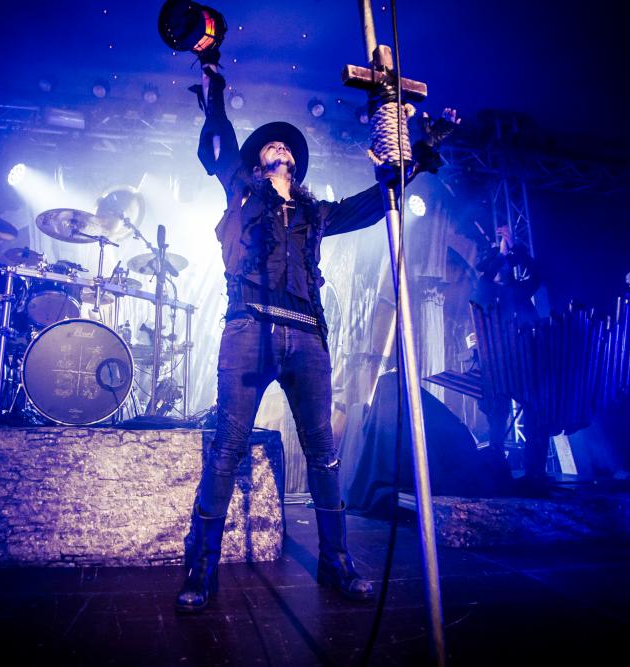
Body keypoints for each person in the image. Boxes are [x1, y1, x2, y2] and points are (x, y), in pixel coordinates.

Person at [175, 52, 456, 613]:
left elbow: (372, 204)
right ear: (258, 163)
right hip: (250, 328)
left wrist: (420, 157)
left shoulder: (315, 214)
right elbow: (221, 145)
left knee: (323, 453)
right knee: (227, 448)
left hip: (305, 337)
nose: (278, 147)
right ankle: (201, 565)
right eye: (269, 147)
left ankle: (336, 561)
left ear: (296, 168)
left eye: (285, 147)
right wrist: (215, 91)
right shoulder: (240, 190)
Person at [471, 223, 543, 490]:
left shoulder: (520, 290)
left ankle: (535, 473)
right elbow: (488, 273)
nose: (504, 268)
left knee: (536, 412)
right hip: (497, 363)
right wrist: (502, 252)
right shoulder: (485, 288)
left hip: (526, 360)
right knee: (497, 416)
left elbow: (538, 274)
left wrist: (517, 249)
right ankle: (497, 469)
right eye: (500, 264)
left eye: (506, 264)